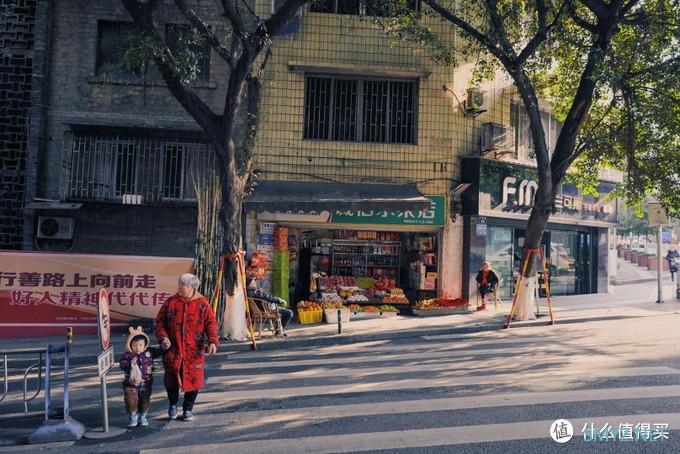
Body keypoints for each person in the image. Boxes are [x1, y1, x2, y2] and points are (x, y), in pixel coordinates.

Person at [155, 273, 219, 421]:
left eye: (182, 285)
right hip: (173, 348)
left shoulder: (202, 303)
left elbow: (211, 323)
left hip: (194, 350)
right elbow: (159, 322)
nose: (179, 287)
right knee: (171, 379)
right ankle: (172, 404)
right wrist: (163, 337)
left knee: (194, 379)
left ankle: (188, 408)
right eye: (179, 283)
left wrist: (213, 341)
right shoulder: (170, 302)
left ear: (191, 287)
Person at [119, 326, 164, 428]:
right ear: (130, 345)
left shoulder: (149, 352)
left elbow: (159, 352)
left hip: (146, 382)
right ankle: (133, 416)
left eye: (140, 345)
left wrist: (164, 346)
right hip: (130, 383)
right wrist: (129, 364)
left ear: (145, 344)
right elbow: (122, 364)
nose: (138, 347)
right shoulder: (128, 355)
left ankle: (142, 416)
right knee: (131, 400)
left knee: (145, 400)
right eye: (134, 345)